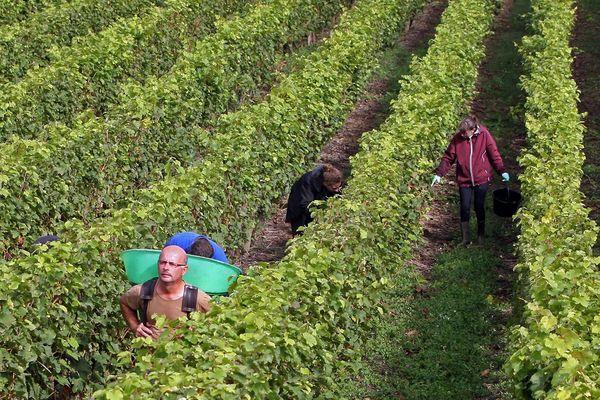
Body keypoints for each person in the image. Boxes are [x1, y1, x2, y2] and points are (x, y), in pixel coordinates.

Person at [431, 116, 510, 245]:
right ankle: (465, 238)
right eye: (461, 132)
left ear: (473, 130)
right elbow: (448, 157)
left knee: (479, 206)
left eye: (464, 132)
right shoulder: (458, 139)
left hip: (481, 177)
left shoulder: (484, 135)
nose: (462, 134)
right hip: (464, 178)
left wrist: (502, 170)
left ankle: (480, 235)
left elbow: (494, 154)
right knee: (464, 207)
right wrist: (439, 174)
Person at [120, 245, 211, 338]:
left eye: (172, 264)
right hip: (148, 351)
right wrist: (135, 327)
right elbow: (124, 302)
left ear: (184, 270)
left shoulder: (196, 298)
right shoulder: (144, 291)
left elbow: (217, 323)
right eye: (162, 262)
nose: (166, 267)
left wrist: (197, 333)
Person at [285, 163, 343, 236]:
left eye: (339, 187)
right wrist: (322, 213)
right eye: (335, 188)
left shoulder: (334, 178)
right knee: (300, 235)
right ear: (325, 184)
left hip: (312, 205)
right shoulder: (308, 182)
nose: (337, 190)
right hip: (299, 208)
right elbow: (305, 204)